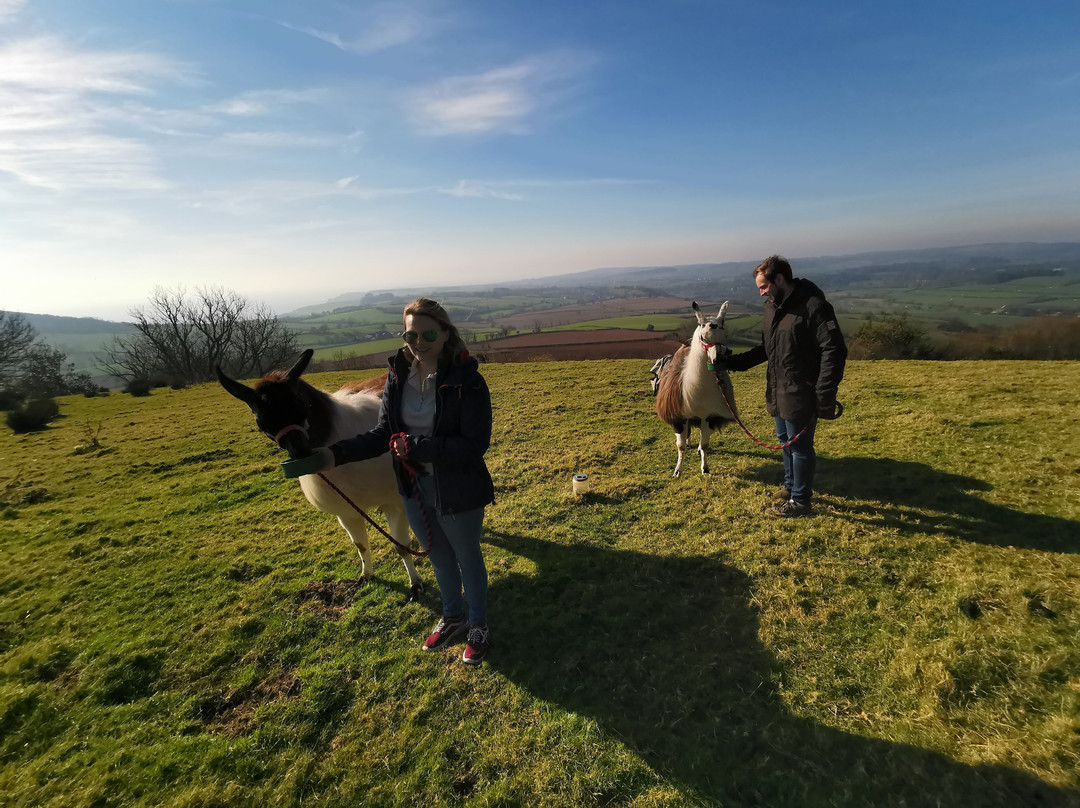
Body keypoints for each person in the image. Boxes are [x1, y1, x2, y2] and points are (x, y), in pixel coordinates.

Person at [284, 298, 495, 663]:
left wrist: (418, 447)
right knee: (438, 556)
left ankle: (478, 625)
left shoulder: (467, 381)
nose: (418, 340)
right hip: (412, 487)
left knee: (467, 556)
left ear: (446, 333)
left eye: (428, 332)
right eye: (410, 333)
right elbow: (384, 432)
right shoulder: (398, 377)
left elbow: (475, 445)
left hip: (456, 484)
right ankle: (453, 616)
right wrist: (335, 455)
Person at [725, 256, 847, 517]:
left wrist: (824, 394)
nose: (761, 292)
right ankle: (790, 487)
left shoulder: (814, 307)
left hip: (802, 390)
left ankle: (801, 502)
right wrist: (731, 363)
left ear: (779, 279)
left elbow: (834, 350)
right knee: (785, 442)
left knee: (800, 447)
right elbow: (765, 350)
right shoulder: (772, 309)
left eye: (764, 286)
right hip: (778, 389)